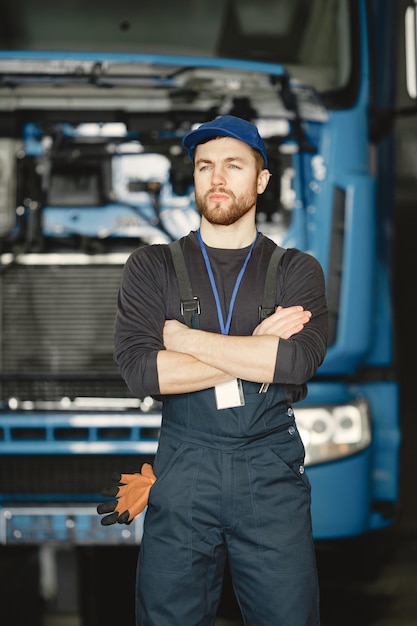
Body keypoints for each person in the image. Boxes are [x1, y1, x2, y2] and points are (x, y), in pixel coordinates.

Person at [110, 115, 328, 625]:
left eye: (234, 164)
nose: (218, 178)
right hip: (184, 472)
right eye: (205, 166)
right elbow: (143, 373)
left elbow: (295, 362)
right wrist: (256, 348)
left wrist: (184, 340)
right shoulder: (152, 266)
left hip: (269, 474)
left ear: (262, 179)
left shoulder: (297, 270)